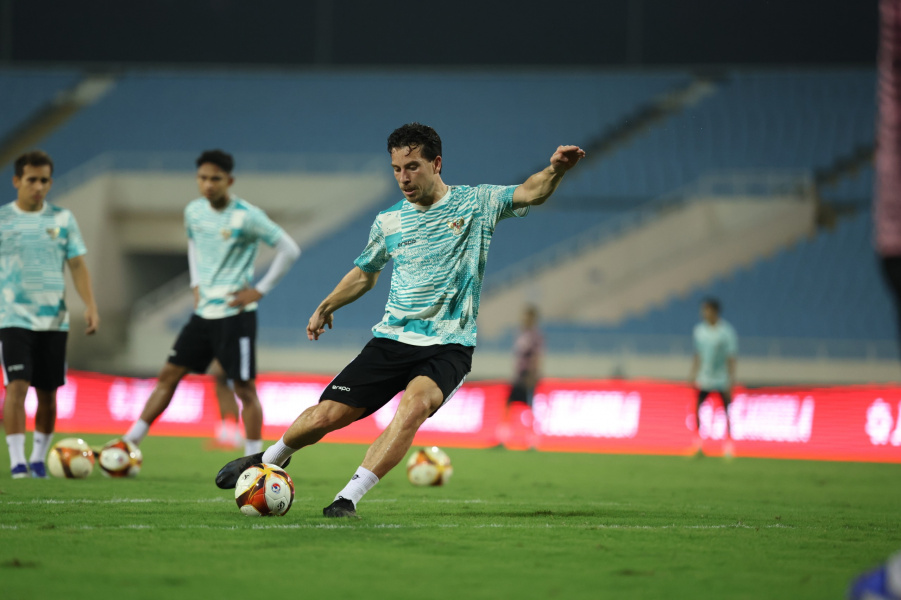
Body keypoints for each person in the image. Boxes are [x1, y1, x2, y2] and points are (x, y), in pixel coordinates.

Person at [215, 123, 585, 518]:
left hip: (449, 345)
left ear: (436, 163)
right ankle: (268, 459)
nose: (403, 178)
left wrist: (556, 170)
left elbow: (531, 191)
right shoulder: (389, 222)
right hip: (392, 340)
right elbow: (365, 273)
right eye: (396, 169)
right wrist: (327, 305)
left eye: (412, 167)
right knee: (328, 415)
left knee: (413, 408)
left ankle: (346, 499)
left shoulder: (476, 203)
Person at [122, 150, 300, 457]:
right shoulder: (194, 211)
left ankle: (256, 458)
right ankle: (128, 443)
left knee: (245, 389)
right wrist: (195, 283)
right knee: (169, 375)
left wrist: (260, 290)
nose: (208, 184)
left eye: (215, 178)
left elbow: (289, 249)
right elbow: (194, 244)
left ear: (229, 181)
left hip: (236, 315)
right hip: (204, 314)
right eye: (203, 178)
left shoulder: (247, 216)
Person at [1, 150, 100, 478]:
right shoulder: (4, 220)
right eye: (32, 180)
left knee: (48, 392)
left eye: (44, 180)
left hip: (54, 321)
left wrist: (89, 304)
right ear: (17, 181)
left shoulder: (62, 219)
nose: (38, 186)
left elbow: (76, 264)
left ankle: (39, 458)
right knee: (17, 386)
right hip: (13, 318)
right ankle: (17, 461)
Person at [688, 297, 738, 458]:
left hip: (722, 378)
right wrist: (693, 374)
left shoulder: (726, 332)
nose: (704, 313)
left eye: (707, 309)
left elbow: (731, 357)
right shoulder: (699, 331)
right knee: (697, 409)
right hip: (705, 377)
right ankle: (698, 445)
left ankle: (728, 446)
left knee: (727, 411)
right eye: (703, 310)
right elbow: (698, 354)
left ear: (715, 311)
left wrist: (731, 380)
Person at [507, 304, 543, 408]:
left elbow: (536, 356)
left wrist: (533, 374)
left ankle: (530, 423)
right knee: (513, 401)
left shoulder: (535, 336)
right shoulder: (521, 334)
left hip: (528, 374)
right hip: (519, 374)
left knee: (528, 402)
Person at [209, 359, 244, 450]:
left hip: (230, 373)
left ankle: (235, 433)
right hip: (223, 375)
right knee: (222, 398)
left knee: (231, 399)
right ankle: (224, 433)